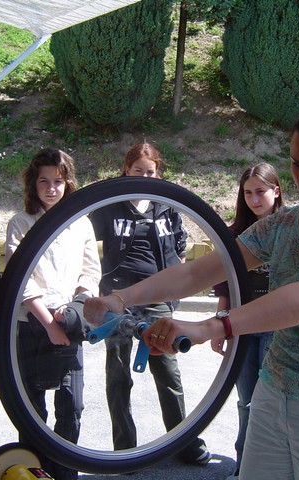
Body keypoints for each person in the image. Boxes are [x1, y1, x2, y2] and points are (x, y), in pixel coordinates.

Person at [84, 100, 299, 480]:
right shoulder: (282, 224)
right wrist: (120, 298)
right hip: (273, 391)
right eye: (297, 164)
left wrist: (210, 326)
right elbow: (197, 272)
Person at [88, 142, 211, 465]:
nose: (143, 177)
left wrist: (172, 295)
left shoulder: (166, 205)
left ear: (158, 173)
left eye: (150, 172)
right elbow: (84, 240)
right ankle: (124, 449)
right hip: (118, 297)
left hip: (156, 299)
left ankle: (184, 441)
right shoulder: (110, 204)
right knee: (118, 375)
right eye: (137, 171)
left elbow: (180, 248)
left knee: (167, 370)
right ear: (126, 170)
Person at [5, 148, 100, 480]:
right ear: (33, 184)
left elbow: (91, 272)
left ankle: (64, 474)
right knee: (31, 410)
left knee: (71, 407)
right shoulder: (20, 223)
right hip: (31, 324)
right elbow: (21, 279)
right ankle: (33, 473)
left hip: (68, 324)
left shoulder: (81, 223)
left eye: (57, 181)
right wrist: (48, 323)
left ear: (67, 183)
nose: (51, 188)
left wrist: (76, 308)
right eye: (43, 181)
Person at [210, 163, 283, 480]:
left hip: (277, 327)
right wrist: (220, 322)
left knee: (270, 402)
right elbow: (224, 282)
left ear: (276, 191)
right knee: (246, 401)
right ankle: (244, 468)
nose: (254, 199)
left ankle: (271, 470)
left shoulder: (290, 229)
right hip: (241, 326)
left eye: (260, 192)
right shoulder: (234, 234)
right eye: (248, 193)